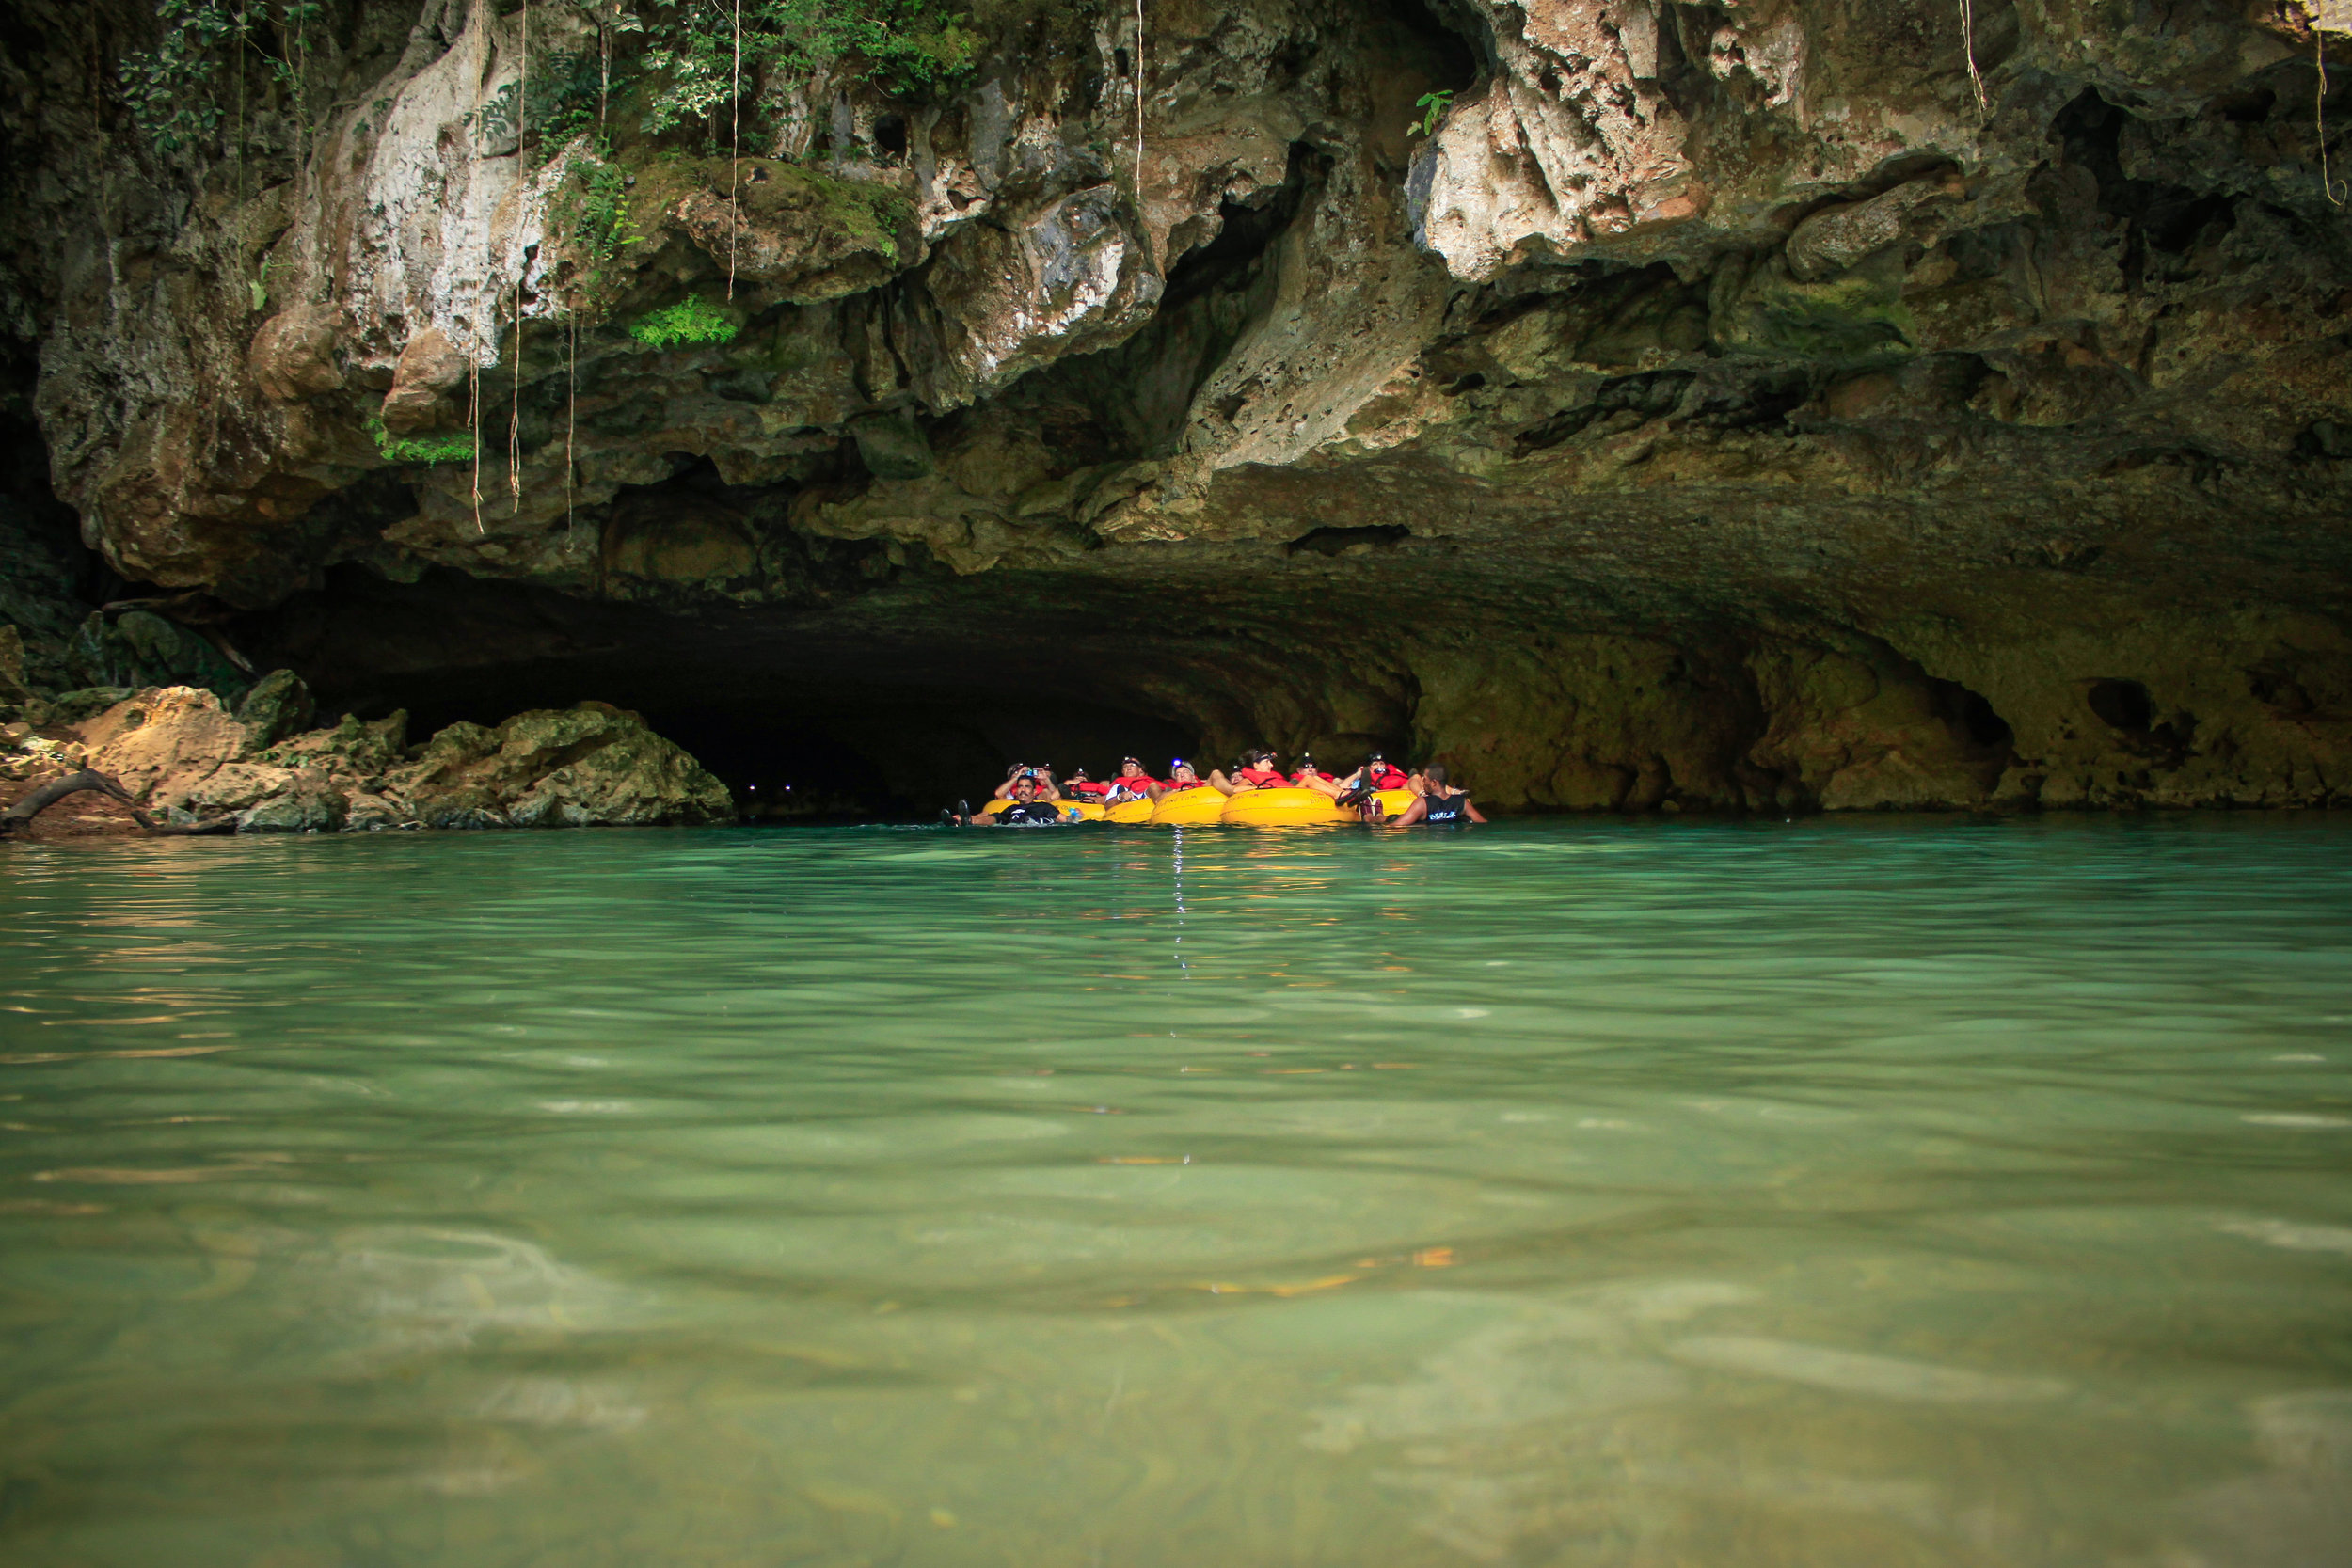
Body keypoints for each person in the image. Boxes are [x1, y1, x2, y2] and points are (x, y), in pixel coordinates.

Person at [1381, 763, 1486, 825]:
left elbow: (1397, 826)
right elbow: (1482, 823)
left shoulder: (1422, 803)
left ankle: (1370, 816)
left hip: (1428, 844)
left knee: (1393, 818)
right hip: (1452, 842)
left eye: (1425, 779)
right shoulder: (1461, 802)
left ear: (1434, 782)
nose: (1423, 782)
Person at [1211, 750, 1286, 795]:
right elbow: (1236, 789)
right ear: (1256, 765)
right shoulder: (1248, 780)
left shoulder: (1273, 777)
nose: (1271, 765)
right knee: (1216, 773)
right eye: (1267, 762)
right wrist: (1261, 787)